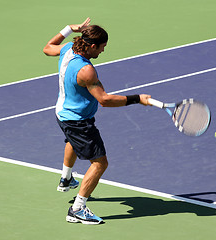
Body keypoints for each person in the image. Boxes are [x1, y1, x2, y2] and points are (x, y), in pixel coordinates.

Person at [43, 17, 151, 225]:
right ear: (92, 46)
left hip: (62, 112)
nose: (102, 51)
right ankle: (78, 209)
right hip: (78, 121)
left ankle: (66, 179)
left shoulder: (68, 48)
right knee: (100, 163)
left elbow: (48, 48)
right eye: (102, 47)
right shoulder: (86, 70)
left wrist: (68, 29)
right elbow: (104, 100)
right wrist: (137, 99)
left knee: (71, 142)